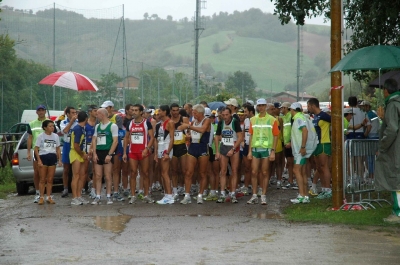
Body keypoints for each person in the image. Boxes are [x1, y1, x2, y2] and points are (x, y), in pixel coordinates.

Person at [375, 78, 400, 224]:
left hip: (395, 149)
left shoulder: (392, 104)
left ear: (386, 91)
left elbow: (392, 129)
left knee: (395, 180)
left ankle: (397, 213)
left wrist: (382, 146)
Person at [247, 98, 279, 205]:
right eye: (259, 106)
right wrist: (249, 151)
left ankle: (264, 195)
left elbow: (275, 136)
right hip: (255, 148)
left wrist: (273, 151)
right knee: (254, 172)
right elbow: (251, 135)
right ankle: (255, 195)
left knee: (265, 172)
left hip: (266, 149)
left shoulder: (272, 119)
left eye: (262, 105)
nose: (261, 107)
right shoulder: (253, 119)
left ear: (266, 106)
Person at [179, 104, 211, 204]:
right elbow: (190, 133)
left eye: (195, 112)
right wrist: (188, 136)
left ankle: (200, 195)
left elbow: (202, 130)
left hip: (202, 147)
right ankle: (187, 195)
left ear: (200, 113)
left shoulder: (206, 120)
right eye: (193, 112)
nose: (193, 114)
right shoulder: (193, 121)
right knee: (188, 172)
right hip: (193, 147)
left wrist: (188, 126)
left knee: (202, 173)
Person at [123, 104, 155, 204]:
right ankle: (133, 195)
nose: (134, 112)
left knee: (145, 173)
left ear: (141, 112)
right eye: (133, 110)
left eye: (136, 110)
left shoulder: (147, 123)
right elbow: (126, 138)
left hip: (143, 152)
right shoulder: (129, 123)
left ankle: (146, 195)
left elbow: (152, 137)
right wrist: (125, 152)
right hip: (132, 152)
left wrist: (147, 148)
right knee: (132, 173)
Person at [214, 107, 243, 203]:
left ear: (230, 114)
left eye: (227, 115)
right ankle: (222, 193)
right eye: (223, 115)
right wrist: (217, 151)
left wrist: (233, 149)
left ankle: (233, 193)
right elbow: (217, 136)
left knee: (234, 171)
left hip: (234, 147)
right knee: (223, 171)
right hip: (224, 146)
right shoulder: (221, 122)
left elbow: (240, 137)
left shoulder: (235, 122)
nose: (225, 117)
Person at [90, 108, 119, 205]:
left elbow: (115, 141)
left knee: (108, 176)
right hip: (98, 151)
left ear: (102, 115)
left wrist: (110, 154)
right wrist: (94, 153)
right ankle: (98, 196)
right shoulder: (97, 126)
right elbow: (94, 140)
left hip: (107, 152)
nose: (96, 116)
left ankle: (108, 195)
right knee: (98, 175)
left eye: (97, 114)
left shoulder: (113, 126)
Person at [307, 98, 332, 199]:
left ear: (313, 106)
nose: (308, 108)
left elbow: (335, 123)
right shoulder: (315, 117)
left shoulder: (324, 115)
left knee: (324, 166)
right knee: (319, 168)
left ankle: (328, 190)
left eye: (308, 106)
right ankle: (323, 189)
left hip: (324, 143)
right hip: (316, 144)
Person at [27, 104, 52, 203]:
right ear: (37, 112)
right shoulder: (32, 124)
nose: (41, 112)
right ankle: (38, 193)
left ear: (45, 111)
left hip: (49, 150)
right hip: (37, 151)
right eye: (39, 110)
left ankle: (48, 194)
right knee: (37, 172)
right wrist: (29, 152)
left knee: (48, 174)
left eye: (42, 110)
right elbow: (30, 138)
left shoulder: (50, 122)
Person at [101, 100, 125, 202]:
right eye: (104, 108)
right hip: (104, 146)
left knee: (116, 170)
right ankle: (108, 192)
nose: (105, 110)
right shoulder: (100, 119)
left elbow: (117, 132)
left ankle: (115, 191)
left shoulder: (117, 118)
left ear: (111, 108)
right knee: (107, 171)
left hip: (116, 146)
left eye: (106, 108)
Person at [34, 120, 62, 205]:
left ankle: (49, 196)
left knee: (50, 179)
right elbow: (36, 149)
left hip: (52, 157)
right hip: (43, 157)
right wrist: (38, 160)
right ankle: (41, 197)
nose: (52, 128)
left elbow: (57, 148)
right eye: (50, 126)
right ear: (45, 128)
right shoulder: (41, 136)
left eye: (53, 126)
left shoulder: (56, 136)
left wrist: (59, 160)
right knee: (42, 179)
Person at [288, 102, 311, 204]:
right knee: (302, 172)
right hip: (300, 149)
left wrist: (302, 147)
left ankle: (302, 195)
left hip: (300, 150)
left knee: (296, 170)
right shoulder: (302, 117)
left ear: (293, 110)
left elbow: (305, 131)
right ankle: (305, 195)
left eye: (290, 110)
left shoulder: (298, 119)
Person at [154, 105, 175, 204]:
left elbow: (172, 139)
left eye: (160, 111)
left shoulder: (170, 122)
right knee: (162, 172)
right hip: (161, 148)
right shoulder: (160, 124)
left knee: (165, 173)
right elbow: (158, 138)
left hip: (166, 149)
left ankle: (169, 196)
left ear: (165, 112)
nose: (158, 113)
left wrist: (167, 152)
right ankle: (167, 194)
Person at [170, 103, 189, 200]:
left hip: (182, 146)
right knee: (174, 170)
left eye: (177, 110)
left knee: (184, 170)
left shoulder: (184, 119)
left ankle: (183, 188)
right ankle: (175, 190)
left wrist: (188, 136)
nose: (175, 112)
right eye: (173, 110)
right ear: (170, 111)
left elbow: (189, 131)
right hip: (172, 147)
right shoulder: (169, 120)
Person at [69, 111, 89, 205]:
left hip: (81, 153)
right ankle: (74, 197)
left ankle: (79, 195)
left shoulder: (82, 128)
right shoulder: (77, 129)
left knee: (82, 175)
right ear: (86, 119)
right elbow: (76, 145)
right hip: (76, 153)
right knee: (76, 175)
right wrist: (82, 154)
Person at [60, 106, 78, 198]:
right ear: (67, 114)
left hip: (75, 145)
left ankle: (78, 187)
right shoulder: (63, 122)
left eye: (75, 112)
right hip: (67, 145)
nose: (74, 114)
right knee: (66, 168)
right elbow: (65, 130)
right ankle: (65, 188)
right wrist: (71, 122)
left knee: (77, 168)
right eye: (72, 113)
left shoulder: (78, 122)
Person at [280, 102, 296, 189]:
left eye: (282, 107)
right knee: (289, 162)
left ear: (286, 108)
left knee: (292, 162)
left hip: (291, 143)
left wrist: (290, 141)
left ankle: (292, 180)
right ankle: (291, 180)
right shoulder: (284, 117)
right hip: (286, 143)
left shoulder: (291, 116)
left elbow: (294, 130)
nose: (281, 109)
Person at [85, 105, 98, 199]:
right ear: (90, 112)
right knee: (84, 169)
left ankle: (94, 189)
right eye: (94, 111)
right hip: (86, 146)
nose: (96, 112)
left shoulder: (99, 123)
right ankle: (88, 182)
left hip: (96, 146)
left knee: (95, 170)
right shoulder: (85, 123)